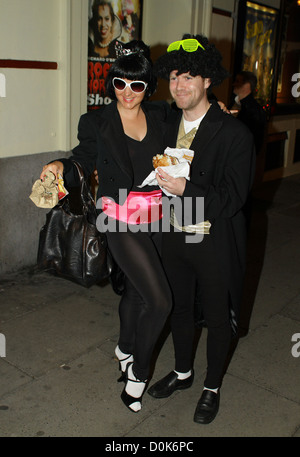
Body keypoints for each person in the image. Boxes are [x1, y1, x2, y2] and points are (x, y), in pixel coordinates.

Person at [40, 40, 172, 413]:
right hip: (116, 215)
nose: (127, 93)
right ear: (111, 82)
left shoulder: (162, 115)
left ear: (147, 87)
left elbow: (195, 126)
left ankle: (125, 348)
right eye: (120, 83)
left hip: (157, 213)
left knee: (134, 290)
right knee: (160, 300)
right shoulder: (96, 122)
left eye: (137, 85)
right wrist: (57, 167)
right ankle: (138, 376)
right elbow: (79, 159)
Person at [147, 34, 256, 424]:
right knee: (177, 308)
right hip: (175, 233)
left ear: (208, 80)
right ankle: (182, 372)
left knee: (215, 314)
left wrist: (186, 189)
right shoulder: (164, 122)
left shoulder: (235, 134)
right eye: (174, 76)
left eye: (189, 76)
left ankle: (211, 385)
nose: (179, 85)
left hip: (211, 237)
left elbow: (234, 197)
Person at [231, 71, 267, 155]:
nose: (234, 84)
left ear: (247, 85)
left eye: (237, 81)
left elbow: (255, 140)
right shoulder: (234, 103)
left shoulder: (254, 110)